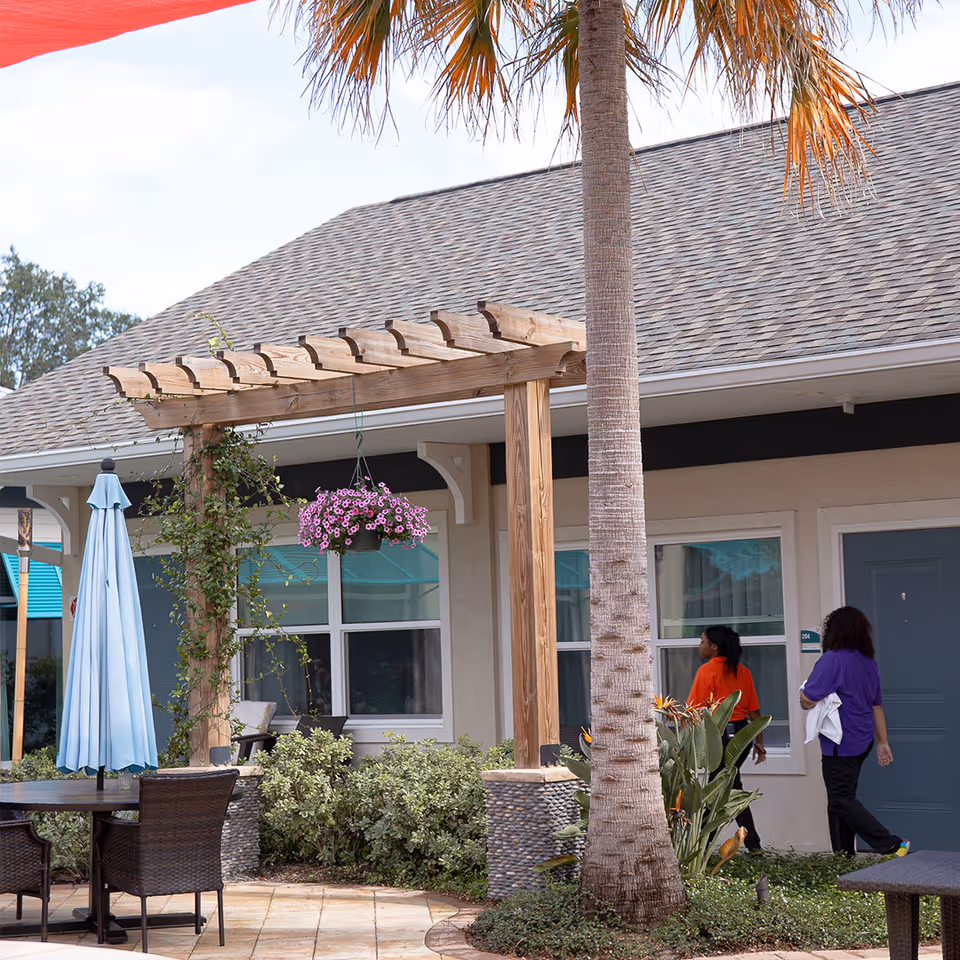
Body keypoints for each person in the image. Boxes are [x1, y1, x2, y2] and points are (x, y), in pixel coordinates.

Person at [800, 605, 909, 858]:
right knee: (839, 800)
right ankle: (842, 856)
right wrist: (883, 742)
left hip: (841, 743)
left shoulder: (832, 659)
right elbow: (876, 705)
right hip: (862, 740)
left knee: (840, 799)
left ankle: (892, 845)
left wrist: (802, 697)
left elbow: (808, 698)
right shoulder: (868, 662)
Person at [688, 624, 766, 852]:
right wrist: (759, 742)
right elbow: (755, 713)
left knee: (718, 790)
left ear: (714, 646)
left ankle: (698, 846)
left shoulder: (706, 671)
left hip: (719, 737)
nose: (700, 645)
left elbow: (694, 711)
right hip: (742, 736)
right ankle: (754, 846)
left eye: (702, 641)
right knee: (731, 787)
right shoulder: (743, 671)